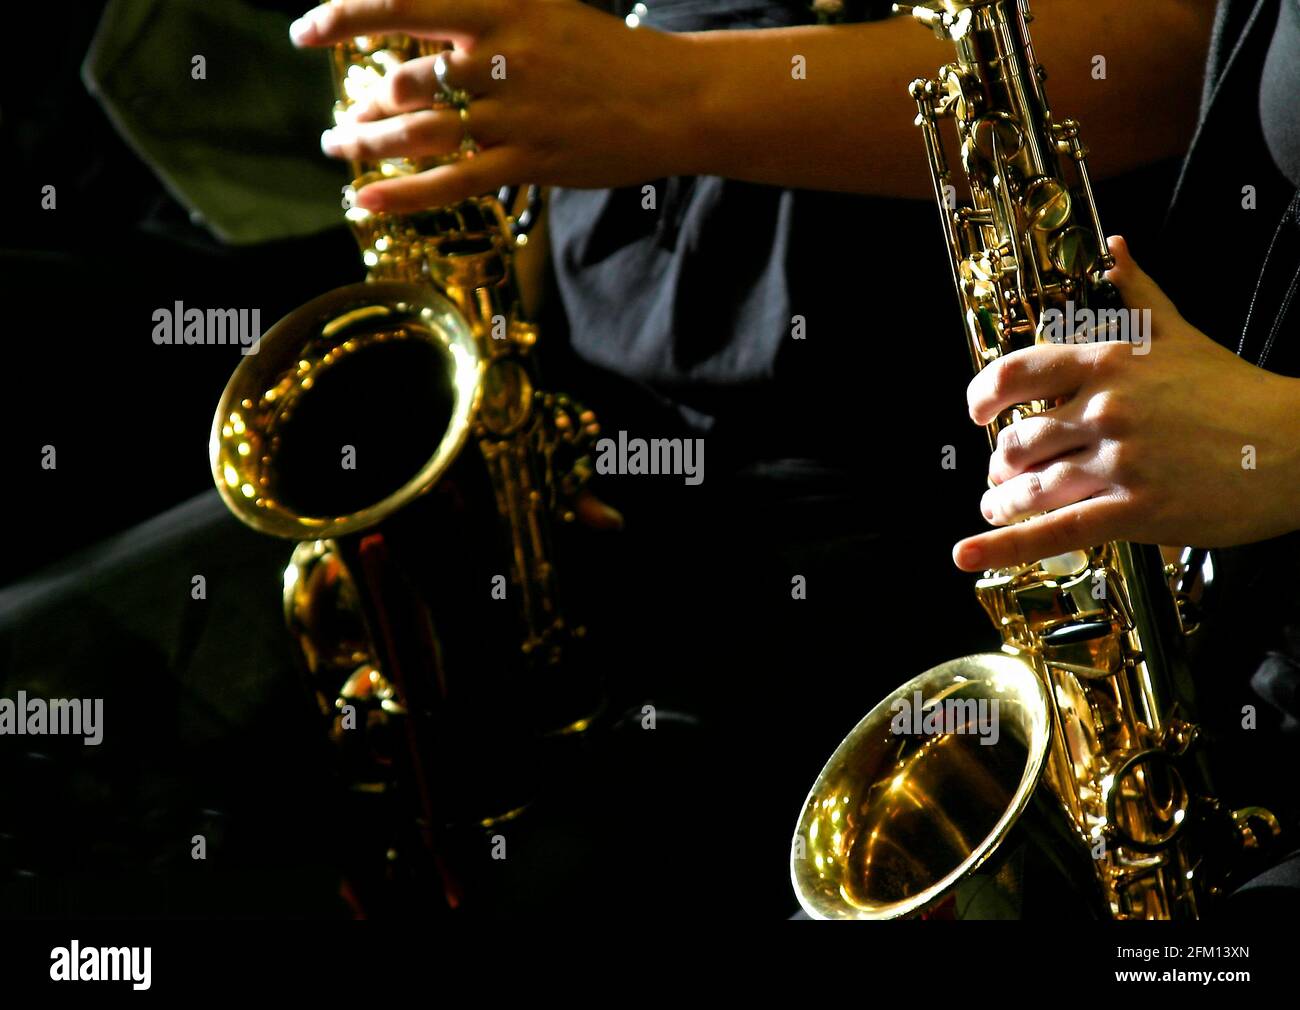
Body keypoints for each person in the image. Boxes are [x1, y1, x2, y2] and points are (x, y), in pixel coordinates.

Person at [1, 0, 1232, 918]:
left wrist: (666, 98)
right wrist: (492, 327)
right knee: (57, 704)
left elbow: (1170, 54)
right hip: (591, 448)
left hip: (891, 501)